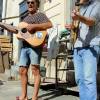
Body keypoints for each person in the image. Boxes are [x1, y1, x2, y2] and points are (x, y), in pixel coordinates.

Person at [17, 0, 52, 100]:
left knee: (35, 70)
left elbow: (49, 24)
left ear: (37, 4)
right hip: (24, 47)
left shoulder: (40, 15)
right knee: (22, 70)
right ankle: (24, 96)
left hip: (35, 47)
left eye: (32, 2)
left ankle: (34, 97)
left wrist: (34, 26)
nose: (30, 4)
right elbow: (21, 32)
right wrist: (19, 34)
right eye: (28, 2)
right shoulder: (25, 18)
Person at [65, 0, 100, 100]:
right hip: (78, 46)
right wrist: (72, 27)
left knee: (89, 80)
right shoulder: (80, 7)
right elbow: (79, 28)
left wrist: (78, 17)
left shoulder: (97, 4)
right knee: (79, 79)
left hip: (90, 46)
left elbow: (92, 21)